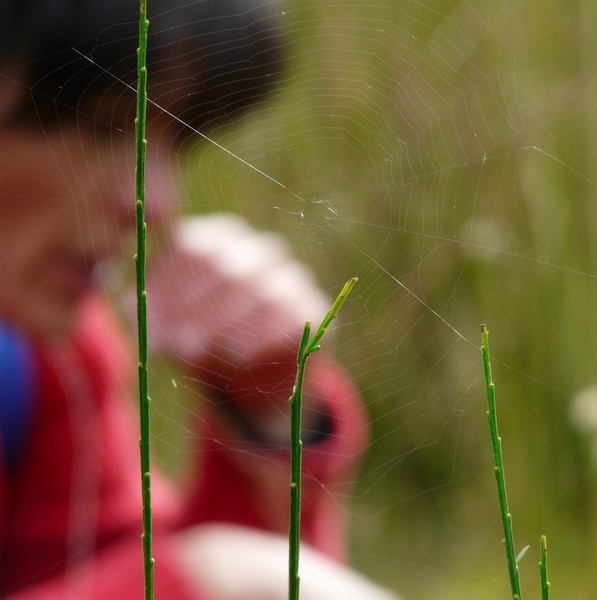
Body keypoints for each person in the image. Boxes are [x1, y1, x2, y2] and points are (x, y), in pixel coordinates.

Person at [0, 1, 396, 598]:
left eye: (176, 143)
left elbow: (101, 568)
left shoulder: (46, 356)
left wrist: (264, 412)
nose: (155, 202)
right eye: (103, 125)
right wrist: (225, 581)